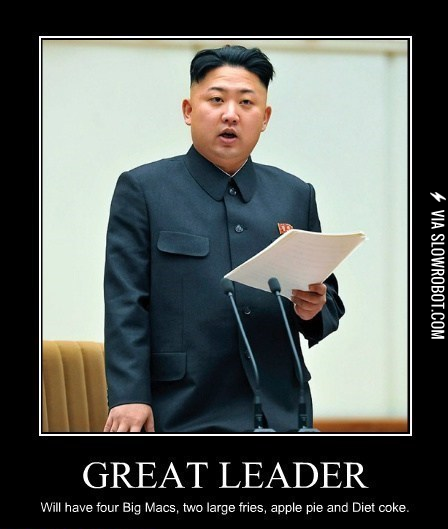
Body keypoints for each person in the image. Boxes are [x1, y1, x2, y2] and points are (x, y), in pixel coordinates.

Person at [103, 44, 345, 433]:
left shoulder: (295, 194)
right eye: (216, 99)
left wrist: (314, 307)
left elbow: (328, 298)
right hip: (180, 408)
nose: (230, 114)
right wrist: (129, 395)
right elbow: (126, 302)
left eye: (246, 102)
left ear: (264, 118)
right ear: (188, 110)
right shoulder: (144, 189)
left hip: (280, 410)